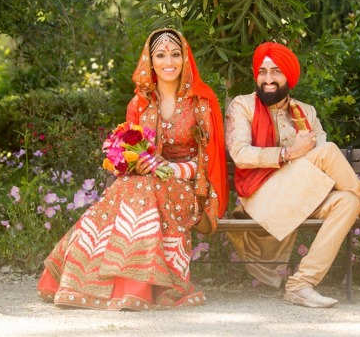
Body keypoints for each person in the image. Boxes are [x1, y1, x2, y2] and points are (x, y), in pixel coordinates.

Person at [225, 42, 360, 308]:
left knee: (349, 201)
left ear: (288, 75)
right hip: (259, 199)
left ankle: (301, 284)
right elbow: (240, 154)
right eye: (262, 72)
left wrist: (359, 192)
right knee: (329, 150)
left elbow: (323, 167)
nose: (267, 79)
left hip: (300, 198)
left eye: (275, 71)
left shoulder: (305, 112)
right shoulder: (243, 105)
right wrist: (289, 152)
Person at [37, 29, 228, 310]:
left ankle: (138, 286)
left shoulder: (201, 102)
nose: (169, 62)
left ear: (185, 59)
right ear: (149, 61)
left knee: (139, 188)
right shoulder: (139, 105)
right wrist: (138, 163)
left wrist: (173, 169)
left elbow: (208, 161)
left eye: (176, 55)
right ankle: (90, 283)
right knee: (128, 186)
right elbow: (126, 158)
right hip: (145, 185)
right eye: (161, 55)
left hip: (189, 188)